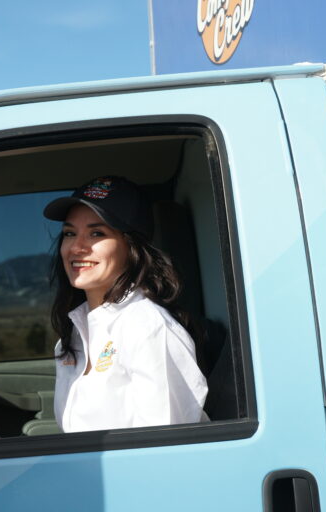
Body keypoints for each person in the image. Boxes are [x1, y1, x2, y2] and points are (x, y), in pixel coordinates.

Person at [43, 176, 208, 432]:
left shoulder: (148, 328)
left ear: (131, 246)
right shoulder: (74, 332)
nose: (76, 247)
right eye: (69, 233)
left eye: (97, 233)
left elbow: (167, 451)